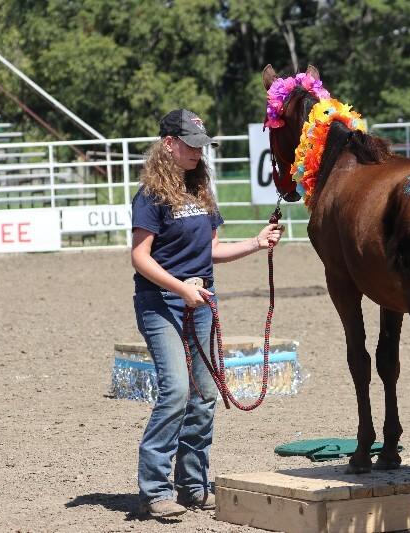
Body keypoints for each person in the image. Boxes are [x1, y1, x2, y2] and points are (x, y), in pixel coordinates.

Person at [130, 109, 284, 518]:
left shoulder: (200, 191)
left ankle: (193, 484)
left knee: (205, 393)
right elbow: (139, 258)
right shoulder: (150, 196)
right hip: (160, 303)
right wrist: (182, 288)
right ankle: (154, 489)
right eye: (191, 145)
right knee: (177, 390)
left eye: (202, 146)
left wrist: (256, 243)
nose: (199, 153)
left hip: (200, 303)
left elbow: (210, 251)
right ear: (169, 144)